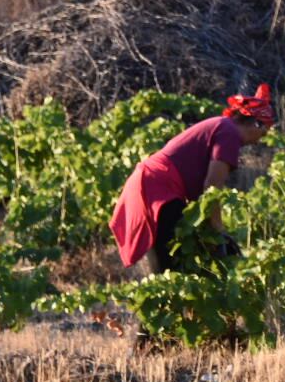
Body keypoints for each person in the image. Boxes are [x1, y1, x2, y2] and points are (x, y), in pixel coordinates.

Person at [109, 84, 274, 273]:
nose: (259, 140)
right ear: (256, 123)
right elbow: (211, 189)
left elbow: (202, 197)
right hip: (157, 190)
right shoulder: (230, 134)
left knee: (170, 267)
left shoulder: (222, 126)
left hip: (149, 186)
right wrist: (218, 231)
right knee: (174, 269)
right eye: (263, 133)